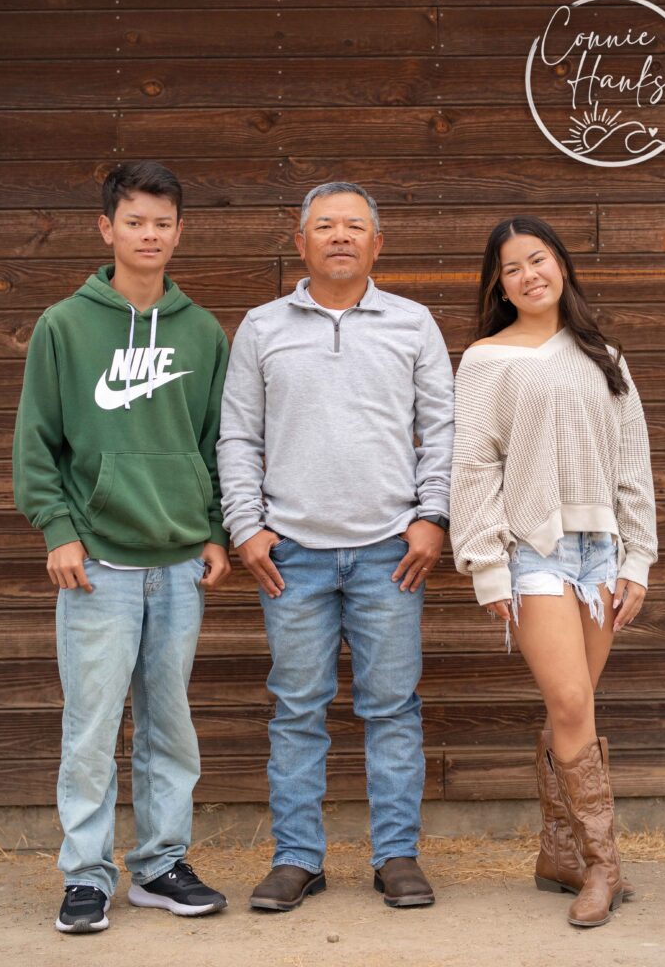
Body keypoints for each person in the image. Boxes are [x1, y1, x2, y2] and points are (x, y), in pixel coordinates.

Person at [217, 182, 454, 911]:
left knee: (391, 708)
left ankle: (396, 857)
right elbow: (237, 436)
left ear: (377, 245)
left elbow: (443, 430)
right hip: (292, 557)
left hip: (391, 553)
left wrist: (432, 516)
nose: (341, 236)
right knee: (295, 710)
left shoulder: (413, 324)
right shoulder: (260, 327)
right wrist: (245, 526)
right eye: (325, 226)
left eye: (355, 226)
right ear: (301, 243)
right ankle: (297, 858)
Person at [13, 161, 232, 934]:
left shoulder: (203, 332)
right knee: (92, 725)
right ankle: (85, 875)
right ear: (107, 229)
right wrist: (58, 530)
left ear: (179, 232)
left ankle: (162, 865)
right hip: (97, 565)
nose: (149, 234)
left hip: (176, 561)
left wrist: (212, 529)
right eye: (134, 220)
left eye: (162, 222)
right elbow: (37, 442)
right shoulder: (64, 326)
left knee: (170, 724)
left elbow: (214, 444)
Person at [450, 215, 657, 928]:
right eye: (511, 268)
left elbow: (633, 466)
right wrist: (486, 569)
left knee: (576, 706)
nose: (527, 275)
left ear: (560, 266)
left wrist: (637, 559)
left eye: (536, 260)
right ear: (498, 286)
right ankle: (603, 865)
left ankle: (559, 852)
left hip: (600, 550)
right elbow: (473, 468)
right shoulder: (485, 360)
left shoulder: (603, 356)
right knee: (570, 703)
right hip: (531, 551)